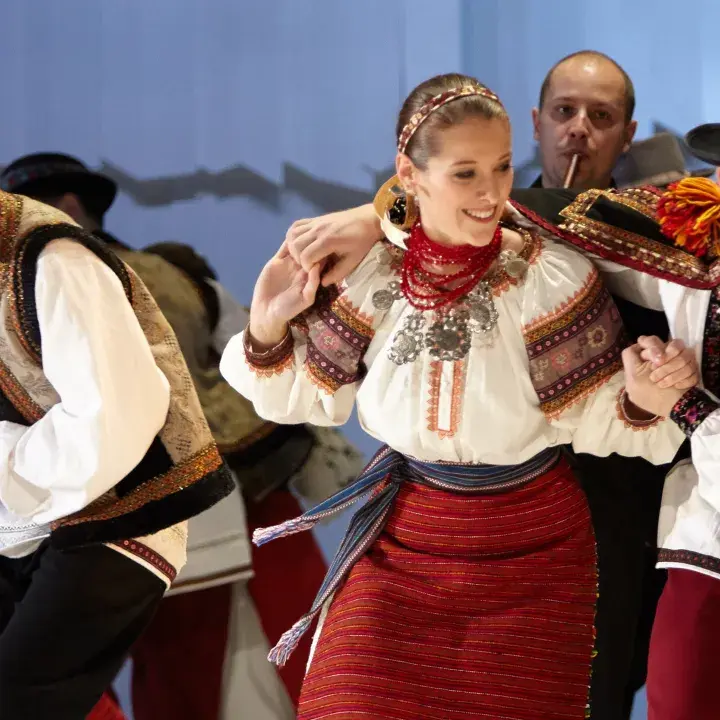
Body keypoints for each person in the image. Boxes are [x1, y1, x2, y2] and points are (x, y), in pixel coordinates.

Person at [219, 73, 691, 719]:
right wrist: (268, 326)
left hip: (531, 551)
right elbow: (297, 399)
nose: (491, 192)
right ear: (408, 176)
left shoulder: (551, 277)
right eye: (465, 173)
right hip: (401, 541)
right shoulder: (373, 275)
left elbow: (601, 421)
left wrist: (642, 399)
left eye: (501, 167)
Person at [0, 154, 364, 718]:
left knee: (204, 671)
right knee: (241, 667)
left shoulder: (55, 263)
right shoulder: (176, 272)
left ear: (66, 205)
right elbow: (249, 355)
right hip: (203, 493)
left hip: (133, 502)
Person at [0, 184, 232, 718]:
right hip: (28, 517)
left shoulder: (55, 259)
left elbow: (114, 415)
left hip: (120, 516)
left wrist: (9, 460)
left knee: (18, 697)